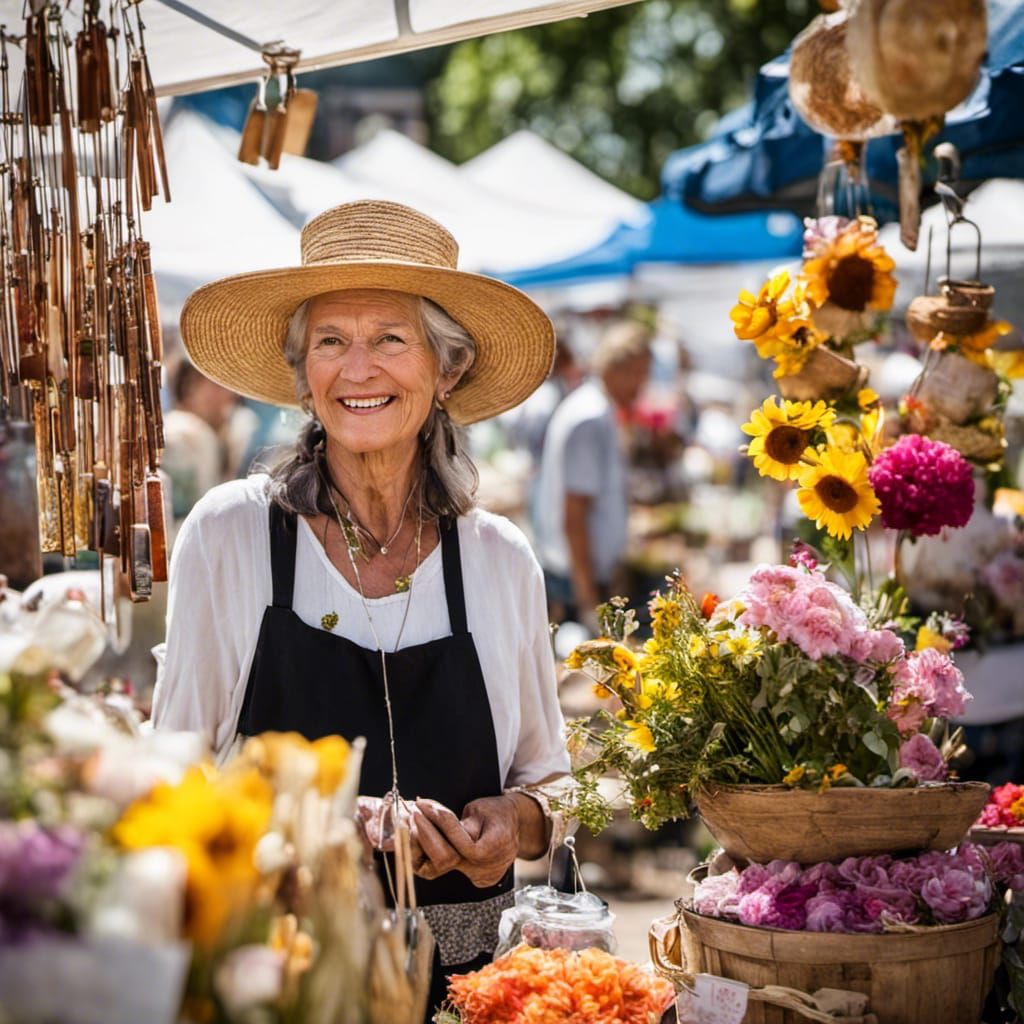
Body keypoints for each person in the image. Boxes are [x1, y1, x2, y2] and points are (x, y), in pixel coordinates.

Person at [151, 200, 571, 1019]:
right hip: (279, 983)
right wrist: (310, 826)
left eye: (391, 339)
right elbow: (172, 776)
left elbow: (550, 783)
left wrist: (510, 826)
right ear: (304, 374)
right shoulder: (234, 535)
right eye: (330, 343)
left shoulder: (498, 559)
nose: (358, 369)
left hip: (469, 992)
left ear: (446, 370)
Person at [535, 320, 652, 628]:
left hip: (580, 574)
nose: (642, 385)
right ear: (616, 366)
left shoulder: (596, 409)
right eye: (639, 373)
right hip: (576, 580)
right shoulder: (591, 417)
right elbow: (574, 514)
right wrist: (588, 601)